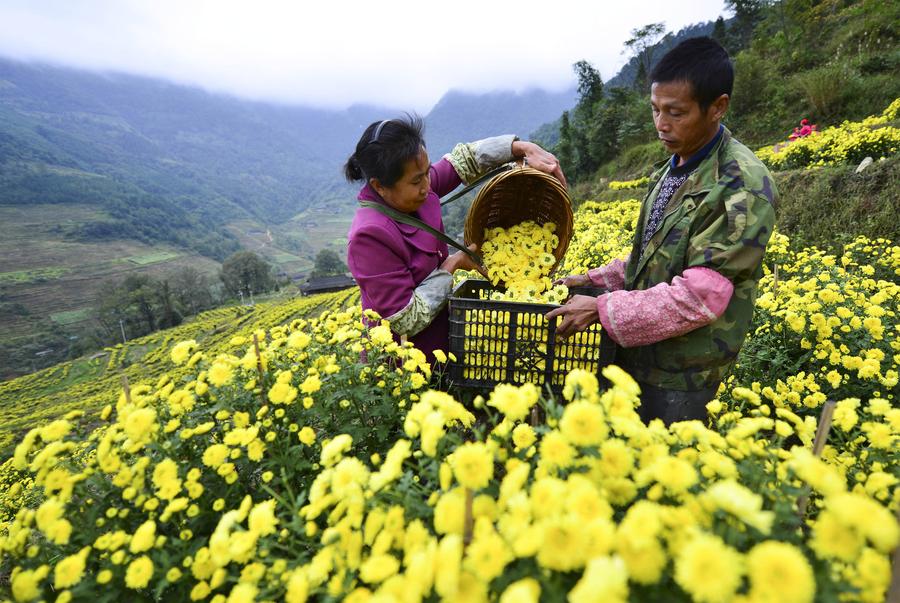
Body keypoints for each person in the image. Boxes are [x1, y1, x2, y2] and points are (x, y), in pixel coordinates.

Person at [546, 37, 778, 425]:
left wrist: (602, 308)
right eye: (655, 110)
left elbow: (700, 297)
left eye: (675, 113)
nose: (661, 125)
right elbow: (653, 257)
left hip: (681, 370)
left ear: (718, 107)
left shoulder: (740, 186)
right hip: (641, 353)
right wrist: (592, 280)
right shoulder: (675, 166)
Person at [345, 114, 565, 362]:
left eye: (427, 172)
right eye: (417, 180)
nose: (427, 185)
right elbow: (407, 319)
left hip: (443, 343)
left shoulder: (415, 189)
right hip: (404, 367)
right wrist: (452, 264)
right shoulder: (369, 236)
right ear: (379, 186)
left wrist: (521, 148)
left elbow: (465, 159)